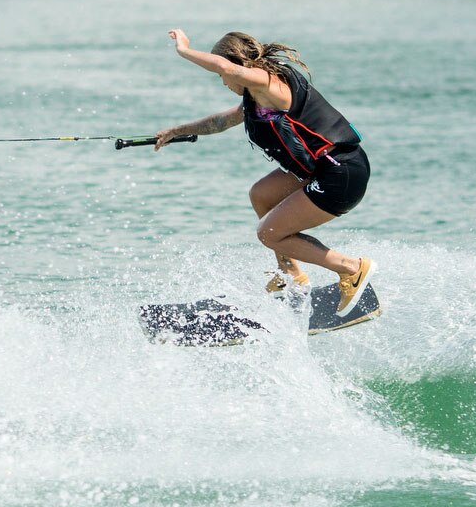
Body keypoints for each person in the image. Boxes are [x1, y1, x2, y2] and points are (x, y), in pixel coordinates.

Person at [153, 29, 374, 314]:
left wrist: (184, 50)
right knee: (261, 195)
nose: (223, 81)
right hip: (325, 169)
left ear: (238, 67)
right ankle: (290, 275)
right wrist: (176, 131)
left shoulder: (267, 83)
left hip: (341, 174)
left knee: (270, 233)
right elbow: (221, 122)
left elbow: (223, 66)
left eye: (224, 76)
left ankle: (351, 269)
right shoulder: (257, 97)